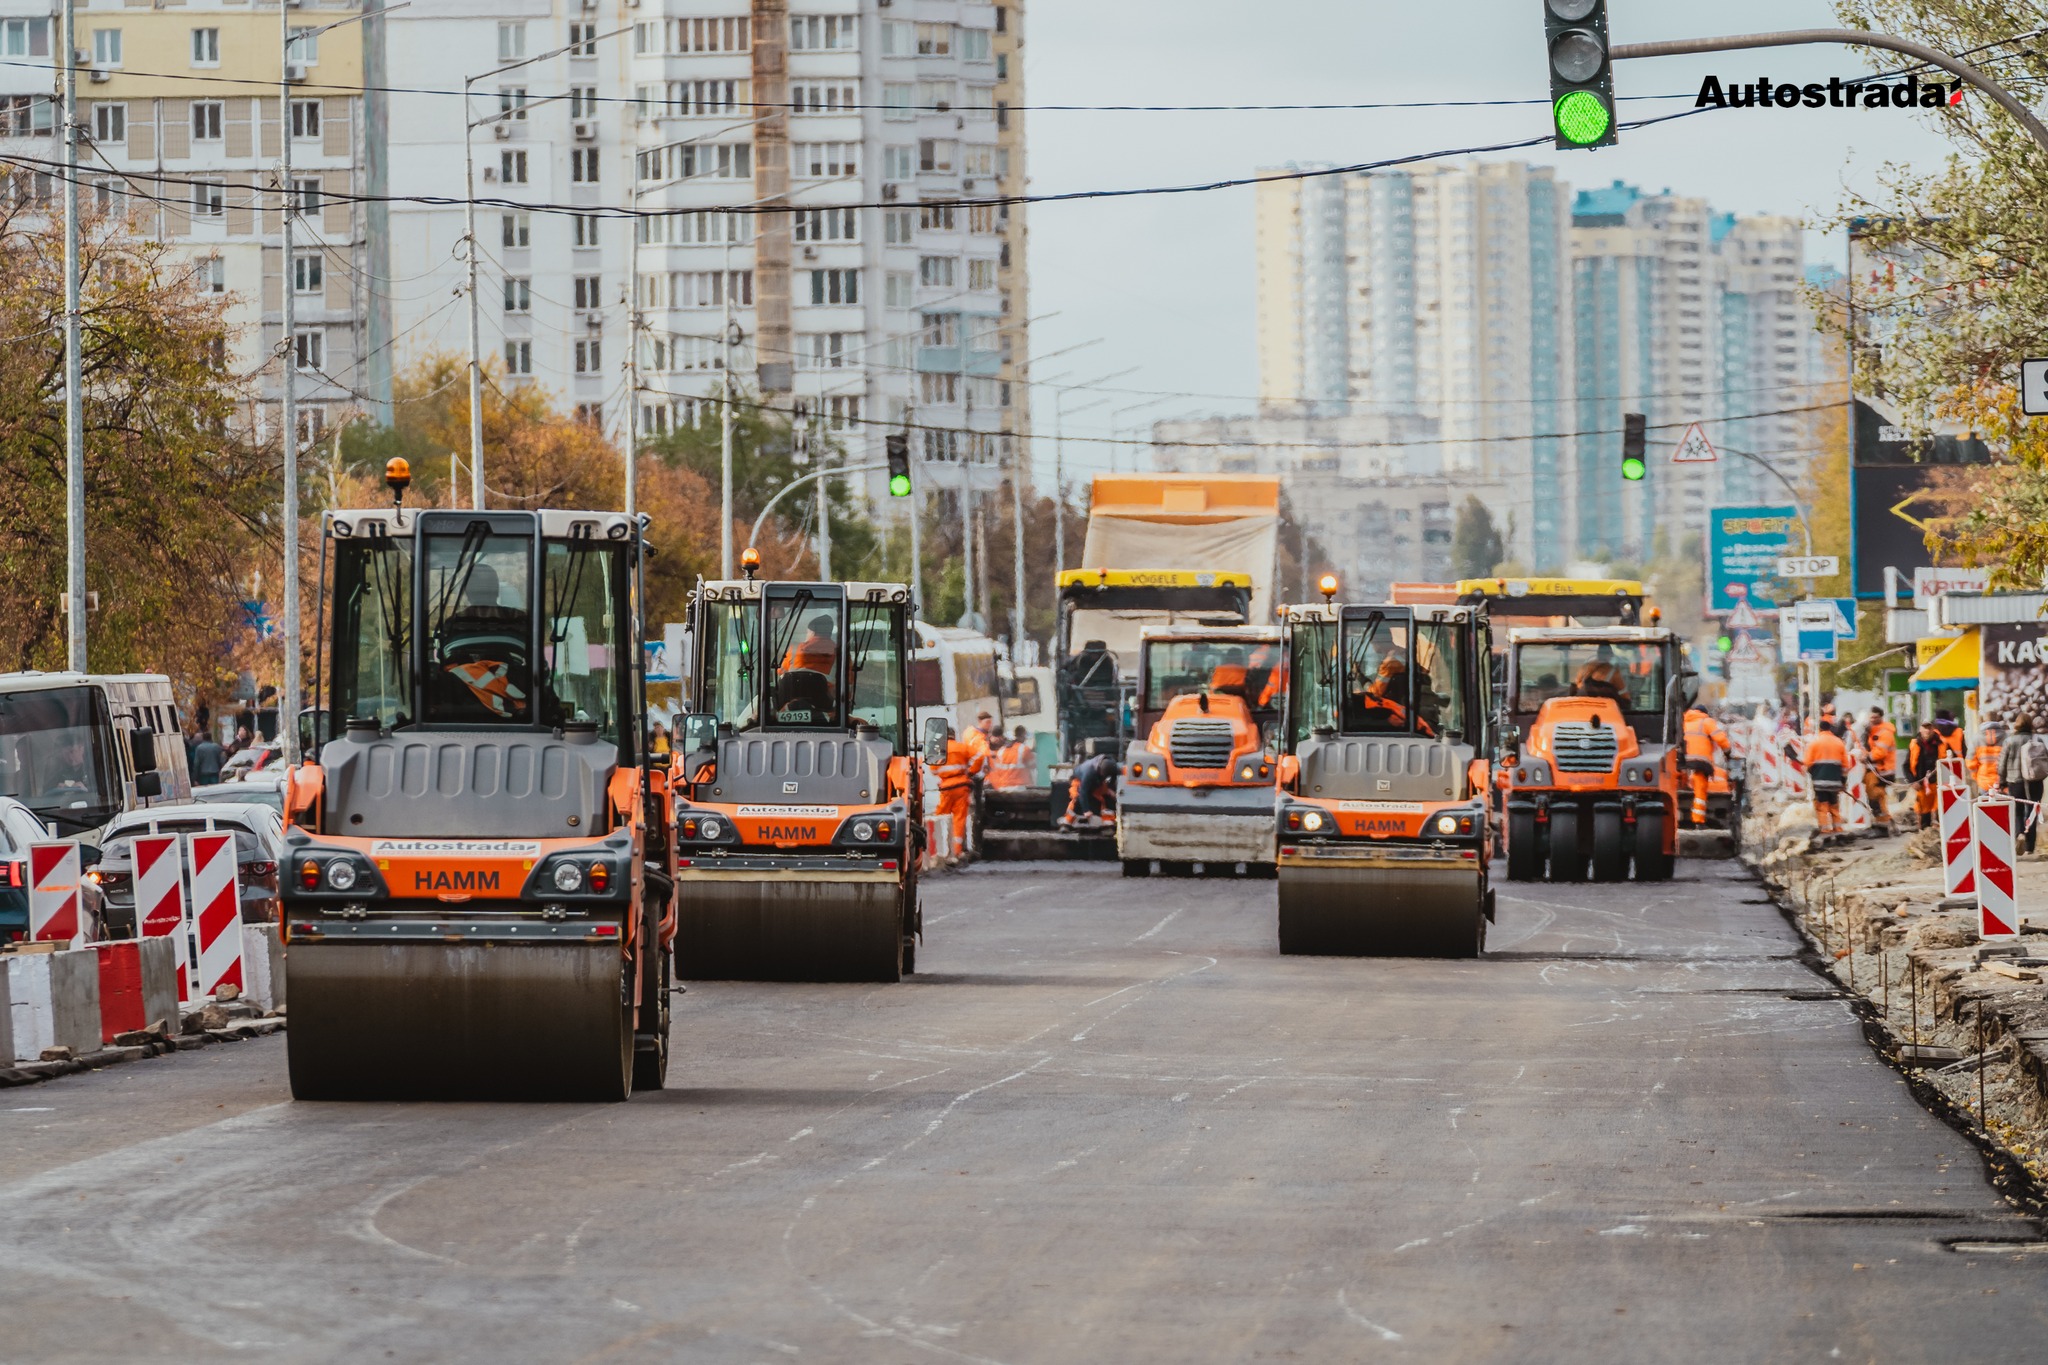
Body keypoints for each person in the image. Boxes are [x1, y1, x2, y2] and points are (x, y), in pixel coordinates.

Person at [2000, 715, 2048, 858]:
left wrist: (2002, 781)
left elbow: (2002, 763)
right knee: (2033, 811)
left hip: (2015, 782)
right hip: (2034, 781)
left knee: (2018, 811)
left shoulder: (2009, 741)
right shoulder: (2037, 739)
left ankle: (2019, 834)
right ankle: (2029, 846)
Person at [1682, 705, 1731, 827]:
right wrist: (1727, 751)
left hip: (1682, 760)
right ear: (1704, 713)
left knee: (1683, 783)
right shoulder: (1706, 721)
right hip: (1700, 760)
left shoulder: (1682, 721)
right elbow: (1720, 738)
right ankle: (1698, 820)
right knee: (1700, 789)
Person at [933, 726, 976, 851]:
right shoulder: (962, 747)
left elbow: (933, 770)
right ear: (953, 735)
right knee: (959, 818)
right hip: (961, 786)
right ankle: (957, 850)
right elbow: (979, 756)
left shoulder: (938, 750)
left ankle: (940, 850)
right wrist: (971, 771)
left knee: (941, 816)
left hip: (946, 787)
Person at [1805, 722, 1850, 835]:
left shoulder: (1814, 743)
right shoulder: (1839, 743)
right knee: (1834, 806)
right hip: (1835, 782)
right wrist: (1843, 781)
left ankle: (1825, 829)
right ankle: (1837, 829)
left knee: (1822, 806)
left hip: (1820, 782)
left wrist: (1814, 774)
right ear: (1830, 729)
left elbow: (1808, 763)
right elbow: (1845, 766)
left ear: (1819, 729)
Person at [1862, 707, 1897, 833]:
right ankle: (1884, 822)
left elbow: (1880, 752)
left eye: (1875, 717)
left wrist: (1866, 757)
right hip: (1876, 771)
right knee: (1877, 799)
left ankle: (1882, 825)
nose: (1872, 720)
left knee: (1876, 798)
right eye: (1871, 717)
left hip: (1883, 771)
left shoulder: (1885, 732)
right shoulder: (1872, 732)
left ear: (1881, 717)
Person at [1064, 752, 1120, 826]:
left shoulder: (1113, 767)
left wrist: (1109, 789)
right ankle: (1067, 822)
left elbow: (1113, 778)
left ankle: (1108, 823)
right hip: (1079, 781)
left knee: (1106, 798)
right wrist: (1086, 810)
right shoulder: (1089, 772)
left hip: (1097, 782)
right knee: (1076, 798)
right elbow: (1083, 791)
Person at [1907, 720, 1944, 830]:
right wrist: (1912, 781)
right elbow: (1906, 765)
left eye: (1929, 728)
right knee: (1924, 812)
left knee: (1941, 809)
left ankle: (1941, 834)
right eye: (1925, 728)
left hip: (1939, 783)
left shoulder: (1941, 744)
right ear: (1920, 729)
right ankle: (1925, 833)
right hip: (1922, 785)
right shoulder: (1915, 744)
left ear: (1933, 729)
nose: (1927, 730)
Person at [989, 725, 1034, 790]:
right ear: (1023, 736)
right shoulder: (1024, 749)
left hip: (1003, 788)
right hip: (1020, 788)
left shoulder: (1001, 751)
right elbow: (1033, 765)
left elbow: (996, 771)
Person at [1971, 722, 2005, 796]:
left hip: (1984, 781)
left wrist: (1976, 776)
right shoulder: (2006, 737)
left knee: (1984, 805)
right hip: (2002, 781)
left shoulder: (1976, 739)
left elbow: (1970, 762)